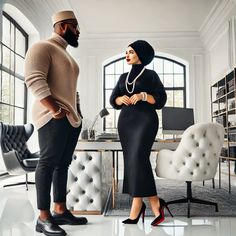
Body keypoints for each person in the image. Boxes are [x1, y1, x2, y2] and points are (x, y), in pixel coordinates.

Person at [25, 10, 87, 236]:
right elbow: (33, 78)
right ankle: (43, 218)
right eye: (75, 26)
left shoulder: (66, 55)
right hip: (52, 117)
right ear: (62, 26)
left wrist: (77, 111)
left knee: (63, 165)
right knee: (47, 163)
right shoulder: (42, 47)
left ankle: (60, 210)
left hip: (70, 118)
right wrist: (54, 109)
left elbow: (71, 89)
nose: (78, 32)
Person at [110, 40, 173, 226]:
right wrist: (121, 98)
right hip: (126, 122)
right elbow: (113, 100)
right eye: (126, 52)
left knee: (138, 158)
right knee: (132, 161)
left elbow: (161, 99)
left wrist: (143, 96)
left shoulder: (151, 75)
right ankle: (143, 205)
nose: (126, 55)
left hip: (145, 120)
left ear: (141, 54)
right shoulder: (122, 77)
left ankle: (150, 205)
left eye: (130, 52)